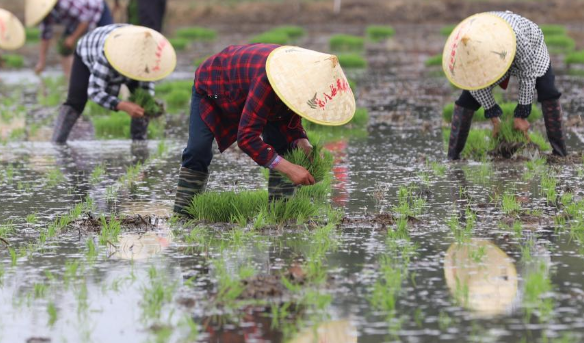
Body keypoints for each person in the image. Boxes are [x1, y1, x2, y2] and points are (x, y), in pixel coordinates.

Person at [173, 44, 356, 216]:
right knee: (198, 150)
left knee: (285, 145)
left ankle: (282, 214)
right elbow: (246, 138)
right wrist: (290, 169)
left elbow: (290, 122)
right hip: (215, 84)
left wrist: (304, 144)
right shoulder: (269, 79)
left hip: (248, 86)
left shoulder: (299, 85)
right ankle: (183, 215)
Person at [444, 11, 567, 160]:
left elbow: (527, 74)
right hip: (489, 58)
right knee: (466, 100)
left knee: (548, 89)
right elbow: (474, 85)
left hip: (530, 46)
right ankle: (452, 157)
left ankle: (560, 154)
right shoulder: (463, 50)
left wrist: (521, 114)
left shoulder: (517, 37)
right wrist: (495, 120)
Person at [51, 24, 176, 144]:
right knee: (76, 101)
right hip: (88, 48)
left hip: (129, 49)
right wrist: (122, 105)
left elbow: (146, 91)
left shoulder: (146, 61)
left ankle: (139, 144)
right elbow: (94, 91)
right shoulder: (108, 53)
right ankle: (57, 143)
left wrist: (150, 106)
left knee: (140, 103)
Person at [24, 0, 114, 78]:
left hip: (97, 10)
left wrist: (73, 38)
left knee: (107, 43)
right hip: (75, 22)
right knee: (64, 49)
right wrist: (41, 62)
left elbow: (85, 20)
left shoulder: (64, 3)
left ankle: (112, 76)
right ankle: (71, 80)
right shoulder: (47, 15)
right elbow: (45, 37)